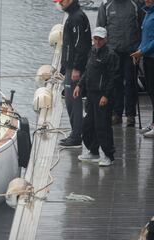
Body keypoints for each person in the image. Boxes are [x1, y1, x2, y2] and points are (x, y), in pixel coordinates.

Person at [73, 27, 120, 167]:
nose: (98, 41)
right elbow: (87, 71)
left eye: (100, 39)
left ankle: (109, 156)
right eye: (95, 38)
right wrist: (79, 85)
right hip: (91, 94)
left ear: (106, 39)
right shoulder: (92, 51)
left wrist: (106, 95)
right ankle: (94, 152)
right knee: (87, 126)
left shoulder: (111, 55)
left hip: (103, 96)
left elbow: (114, 78)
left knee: (103, 126)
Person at [97, 0, 144, 126]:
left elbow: (142, 25)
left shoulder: (135, 4)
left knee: (131, 83)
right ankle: (116, 114)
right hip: (113, 53)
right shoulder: (106, 5)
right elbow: (100, 28)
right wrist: (99, 50)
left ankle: (130, 115)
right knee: (115, 83)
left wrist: (140, 49)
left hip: (131, 52)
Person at [54, 0, 92, 147]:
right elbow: (69, 46)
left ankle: (76, 136)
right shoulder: (73, 15)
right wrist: (64, 66)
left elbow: (81, 45)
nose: (59, 3)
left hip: (75, 68)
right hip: (70, 66)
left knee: (73, 101)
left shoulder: (76, 17)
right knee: (70, 101)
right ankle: (75, 133)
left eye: (61, 1)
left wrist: (76, 68)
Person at [131, 0, 154, 137]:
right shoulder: (148, 13)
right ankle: (153, 123)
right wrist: (139, 50)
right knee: (151, 90)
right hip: (147, 57)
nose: (148, 0)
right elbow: (145, 37)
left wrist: (142, 51)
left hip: (152, 57)